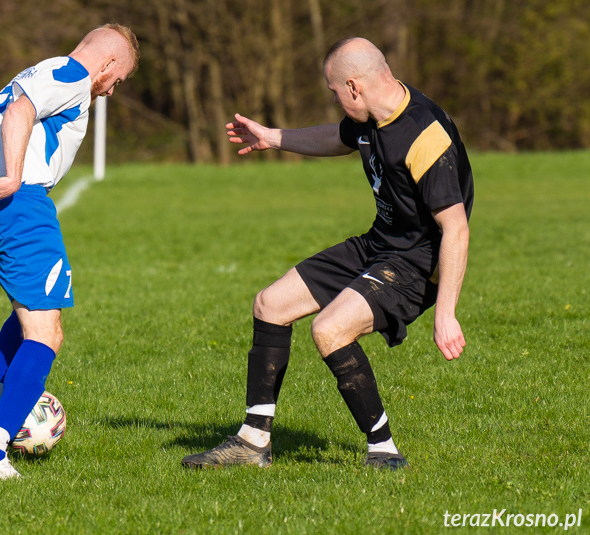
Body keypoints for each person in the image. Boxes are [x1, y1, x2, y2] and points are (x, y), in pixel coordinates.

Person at [182, 37, 473, 470]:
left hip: (415, 264)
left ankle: (384, 450)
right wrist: (273, 138)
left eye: (335, 92)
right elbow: (338, 138)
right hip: (379, 244)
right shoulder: (375, 111)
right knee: (271, 304)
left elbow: (456, 228)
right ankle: (252, 442)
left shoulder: (425, 137)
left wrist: (445, 312)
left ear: (354, 86)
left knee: (330, 329)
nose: (335, 99)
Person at [0, 23, 139, 479]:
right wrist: (15, 177)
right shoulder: (75, 76)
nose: (114, 90)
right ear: (110, 63)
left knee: (26, 309)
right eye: (120, 79)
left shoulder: (41, 69)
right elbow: (20, 113)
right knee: (46, 332)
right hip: (16, 203)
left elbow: (14, 108)